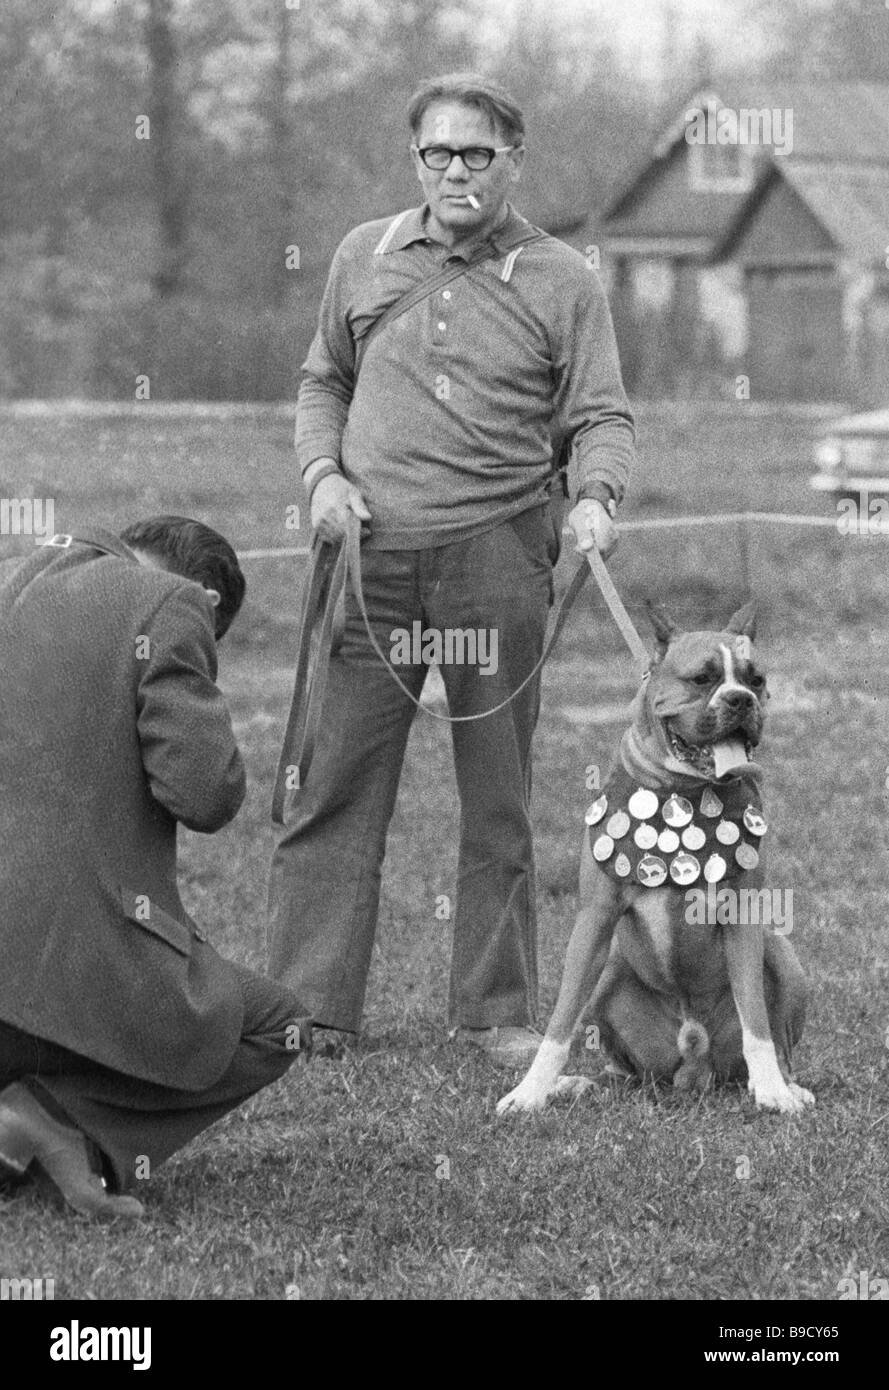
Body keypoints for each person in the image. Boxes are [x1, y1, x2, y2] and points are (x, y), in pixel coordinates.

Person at [268, 73, 635, 1064]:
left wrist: (594, 496)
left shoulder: (562, 277)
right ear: (415, 159)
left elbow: (600, 412)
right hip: (368, 557)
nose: (457, 171)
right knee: (333, 782)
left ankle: (496, 1012)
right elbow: (322, 381)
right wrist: (321, 476)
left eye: (478, 153)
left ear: (514, 159)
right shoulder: (364, 254)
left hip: (495, 552)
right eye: (439, 153)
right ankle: (308, 1006)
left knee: (498, 793)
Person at [0, 517, 311, 1220]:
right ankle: (53, 1121)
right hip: (56, 977)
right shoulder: (167, 604)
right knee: (276, 1024)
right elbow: (203, 793)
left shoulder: (18, 577)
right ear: (202, 596)